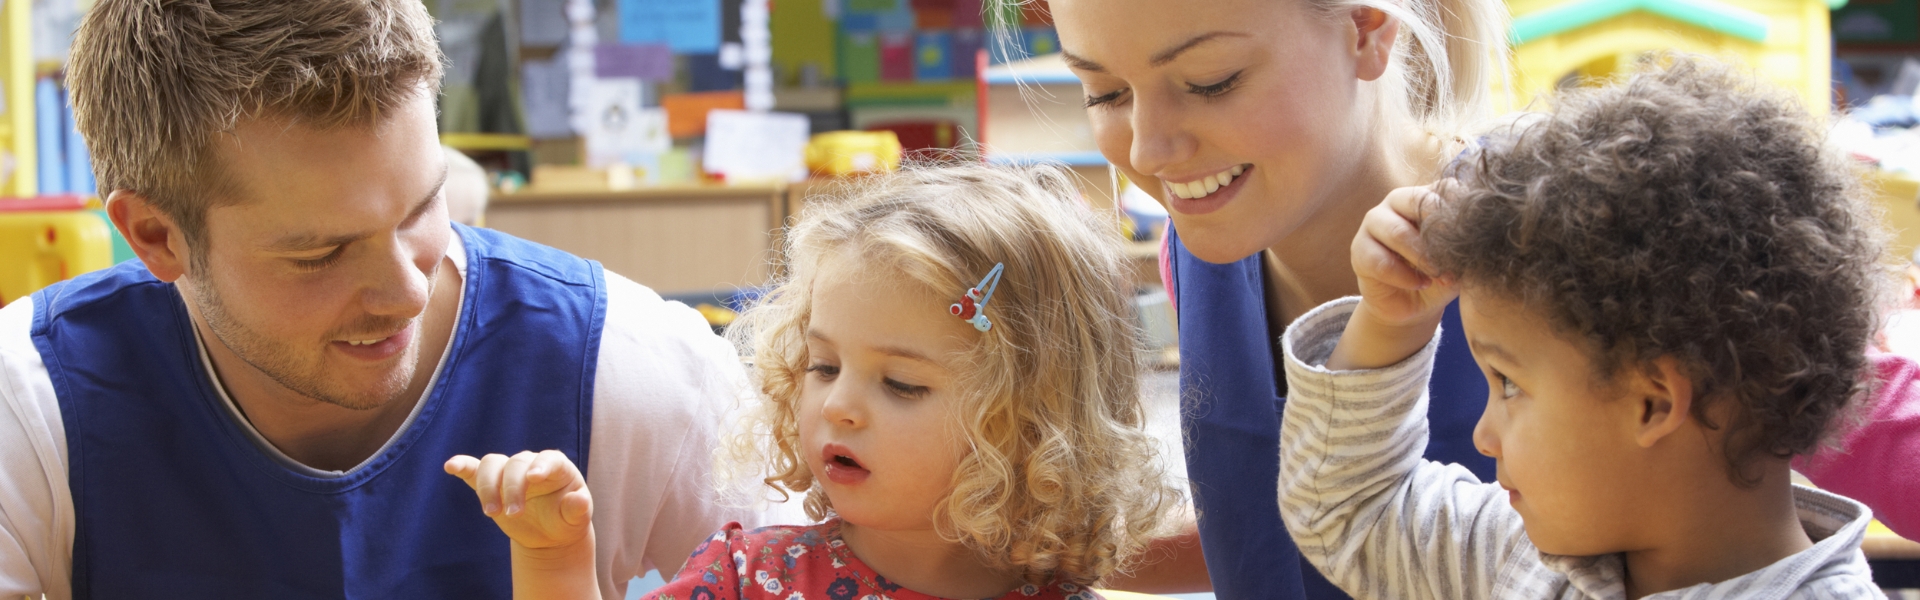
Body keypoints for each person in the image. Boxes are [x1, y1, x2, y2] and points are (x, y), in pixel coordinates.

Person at [0, 1, 767, 597]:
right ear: (156, 236)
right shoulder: (31, 405)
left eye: (421, 210)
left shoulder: (638, 368)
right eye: (320, 254)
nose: (406, 289)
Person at [1280, 58, 1883, 598]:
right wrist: (1389, 323)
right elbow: (1351, 510)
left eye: (1509, 383)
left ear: (1652, 402)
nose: (1484, 437)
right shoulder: (1522, 556)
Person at [446, 164, 1182, 599]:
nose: (837, 404)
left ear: (1034, 424)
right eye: (822, 365)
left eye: (901, 383)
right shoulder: (746, 578)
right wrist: (553, 557)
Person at [1026, 0, 1510, 595]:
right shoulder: (1197, 251)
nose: (1147, 152)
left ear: (1364, 31)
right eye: (1105, 93)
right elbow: (1268, 529)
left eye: (1210, 82)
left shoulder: (1538, 252)